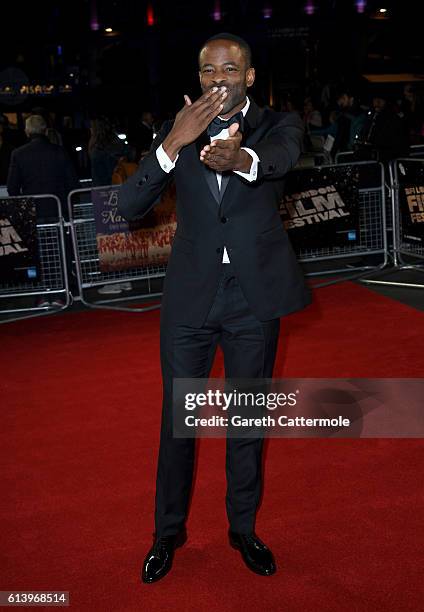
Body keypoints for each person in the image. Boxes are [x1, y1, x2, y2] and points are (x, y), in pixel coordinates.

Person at [118, 33, 310, 583]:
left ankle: (243, 529)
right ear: (198, 77)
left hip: (253, 300)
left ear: (249, 76)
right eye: (207, 70)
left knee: (247, 421)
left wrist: (242, 157)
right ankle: (167, 533)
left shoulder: (279, 125)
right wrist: (172, 143)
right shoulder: (178, 125)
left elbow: (281, 157)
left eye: (230, 69)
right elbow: (131, 205)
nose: (217, 78)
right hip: (190, 302)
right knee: (178, 425)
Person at [7, 115, 78, 219]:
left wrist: (23, 205)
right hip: (59, 209)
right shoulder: (60, 151)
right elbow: (72, 182)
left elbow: (12, 188)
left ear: (27, 132)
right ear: (45, 131)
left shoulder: (18, 154)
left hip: (32, 210)